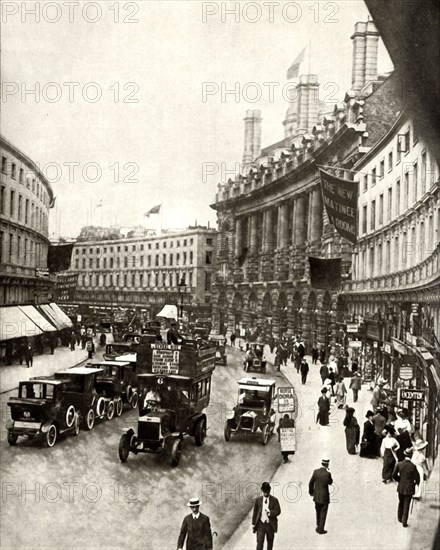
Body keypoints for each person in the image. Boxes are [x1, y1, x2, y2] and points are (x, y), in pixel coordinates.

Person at [393, 448, 420, 527]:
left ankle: (399, 518)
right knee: (406, 505)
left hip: (401, 487)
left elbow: (393, 475)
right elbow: (417, 478)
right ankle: (404, 522)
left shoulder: (399, 464)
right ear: (411, 456)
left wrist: (400, 480)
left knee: (401, 502)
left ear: (404, 455)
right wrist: (416, 483)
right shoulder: (413, 466)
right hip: (409, 488)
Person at [251, 481, 281, 550]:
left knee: (270, 544)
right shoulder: (258, 500)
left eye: (267, 492)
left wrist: (270, 512)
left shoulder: (274, 500)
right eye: (264, 492)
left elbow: (278, 511)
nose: (265, 493)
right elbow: (255, 512)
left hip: (270, 525)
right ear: (262, 490)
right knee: (259, 543)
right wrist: (253, 524)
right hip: (260, 525)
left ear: (269, 490)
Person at [308, 458, 333, 535]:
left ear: (322, 464)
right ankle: (321, 529)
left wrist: (311, 492)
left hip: (316, 496)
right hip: (325, 497)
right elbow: (330, 482)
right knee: (323, 513)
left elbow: (310, 483)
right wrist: (329, 473)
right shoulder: (327, 474)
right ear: (327, 464)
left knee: (318, 512)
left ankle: (318, 526)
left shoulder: (316, 472)